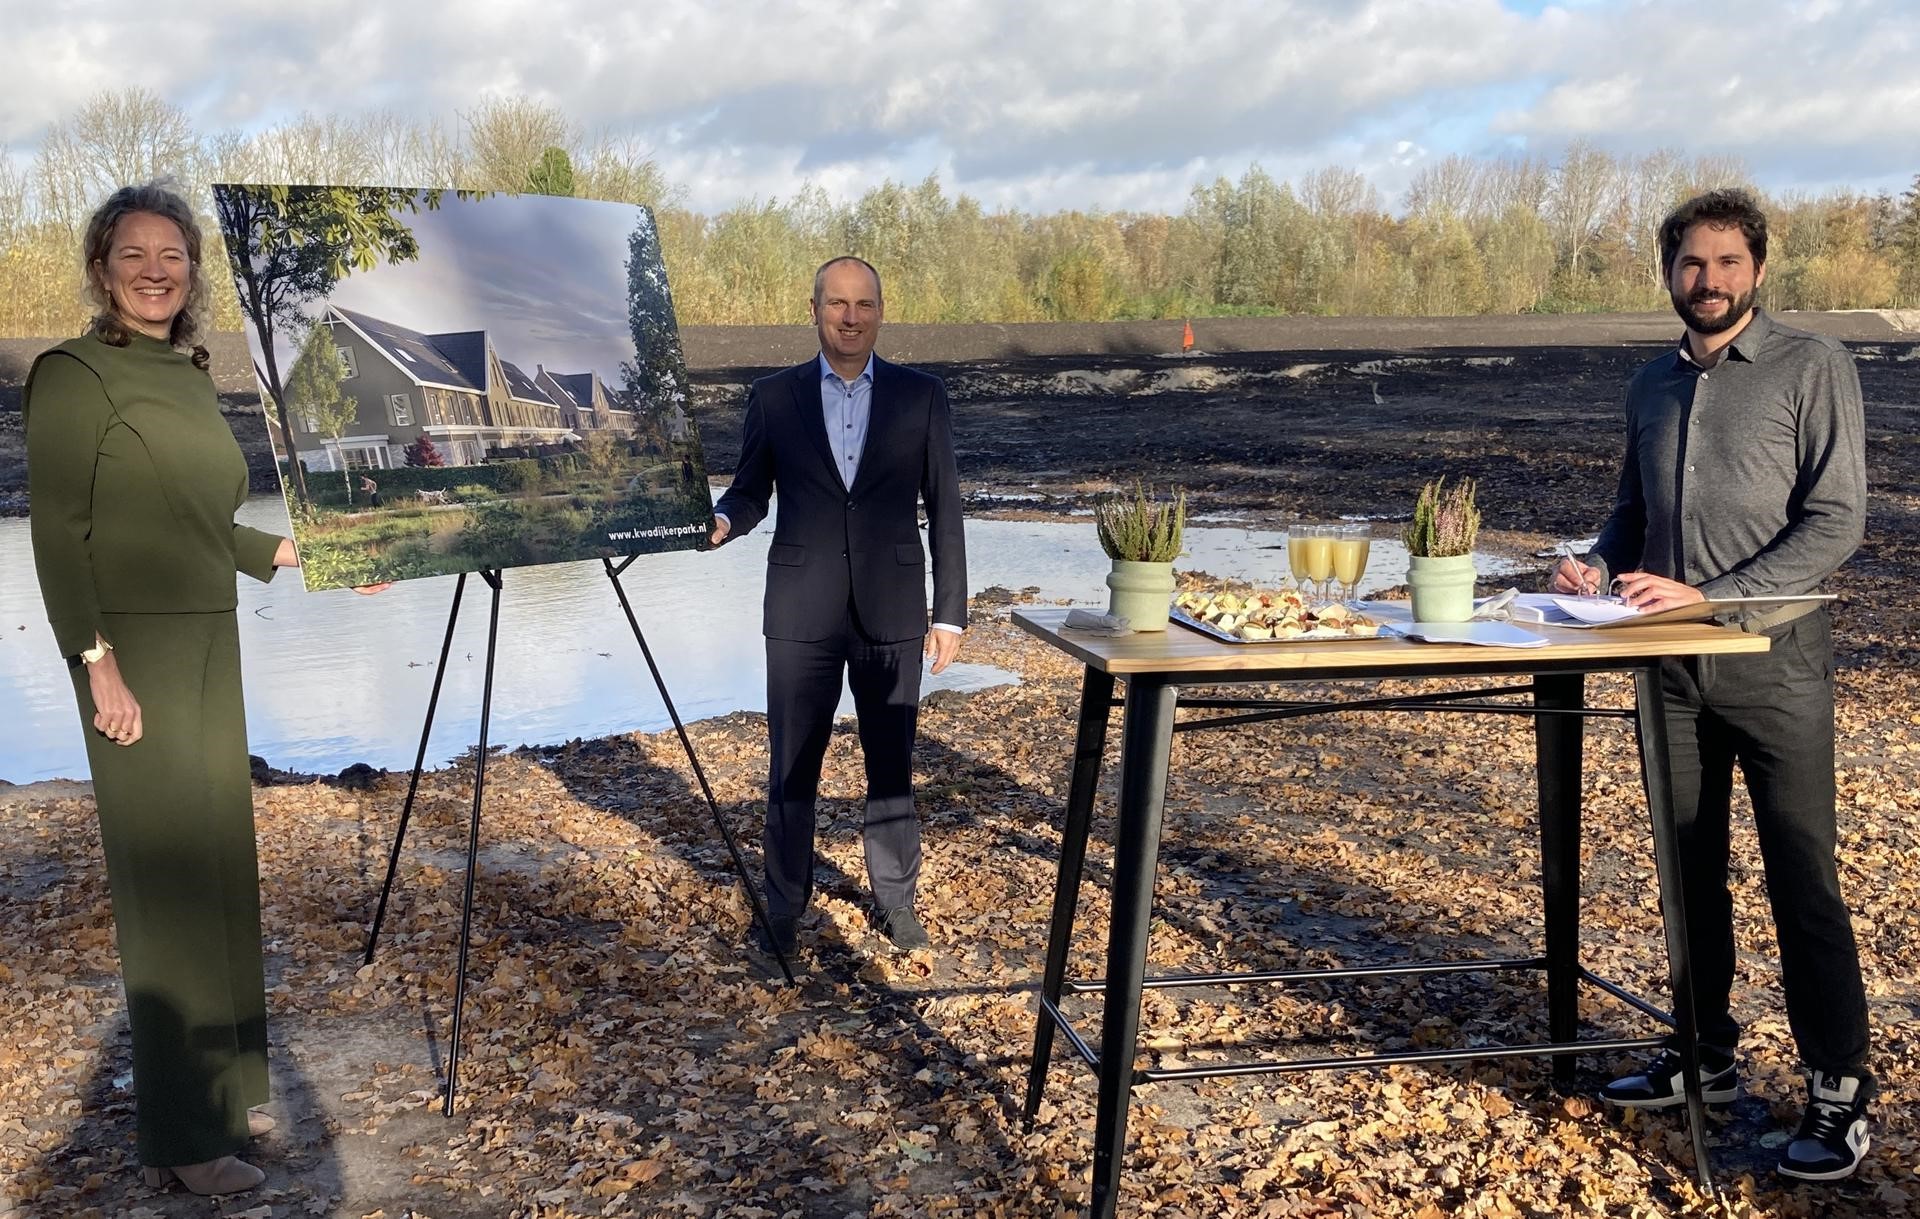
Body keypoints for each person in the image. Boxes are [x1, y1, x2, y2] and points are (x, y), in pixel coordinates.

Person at [1553, 188, 1873, 1181]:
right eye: (1694, 264)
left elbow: (1836, 522)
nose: (1711, 281)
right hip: (1671, 672)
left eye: (1729, 263)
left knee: (1801, 879)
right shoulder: (1650, 384)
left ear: (1759, 269)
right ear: (1669, 273)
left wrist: (1713, 594)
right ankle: (1703, 1055)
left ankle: (1839, 1094)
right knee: (1689, 875)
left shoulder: (1810, 365)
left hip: (1775, 664)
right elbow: (1631, 510)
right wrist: (1596, 565)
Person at [24, 183, 302, 1196]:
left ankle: (230, 1096)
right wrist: (95, 661)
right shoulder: (73, 374)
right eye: (133, 253)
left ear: (191, 269)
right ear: (102, 269)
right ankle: (184, 1138)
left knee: (222, 871)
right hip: (128, 653)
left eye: (172, 254)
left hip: (209, 647)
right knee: (167, 892)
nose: (154, 270)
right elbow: (60, 534)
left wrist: (298, 552)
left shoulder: (188, 373)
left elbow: (204, 524)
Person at [710, 255, 967, 956]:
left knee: (892, 762)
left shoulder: (922, 396)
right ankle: (784, 908)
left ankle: (895, 902)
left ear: (880, 311)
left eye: (864, 304)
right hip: (800, 610)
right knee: (792, 764)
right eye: (837, 304)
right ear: (814, 308)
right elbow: (747, 490)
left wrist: (950, 612)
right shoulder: (774, 396)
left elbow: (945, 507)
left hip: (892, 605)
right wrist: (723, 521)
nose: (851, 317)